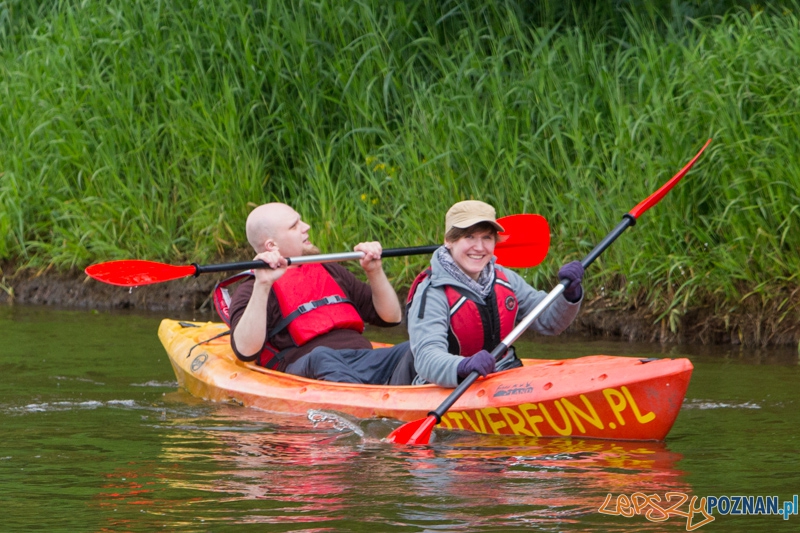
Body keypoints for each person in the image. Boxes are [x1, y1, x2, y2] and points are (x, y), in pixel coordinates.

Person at [226, 202, 414, 385]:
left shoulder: (329, 270)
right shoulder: (252, 289)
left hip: (363, 360)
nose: (306, 227)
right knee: (321, 356)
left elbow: (392, 318)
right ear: (271, 246)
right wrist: (263, 284)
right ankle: (364, 404)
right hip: (310, 368)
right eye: (294, 226)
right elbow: (245, 350)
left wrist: (375, 271)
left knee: (416, 348)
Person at [406, 200, 584, 387]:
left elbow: (551, 321)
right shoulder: (432, 292)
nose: (479, 247)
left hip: (504, 373)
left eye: (487, 238)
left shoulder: (505, 278)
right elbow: (426, 358)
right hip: (449, 385)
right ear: (449, 241)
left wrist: (569, 294)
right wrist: (463, 366)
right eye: (469, 237)